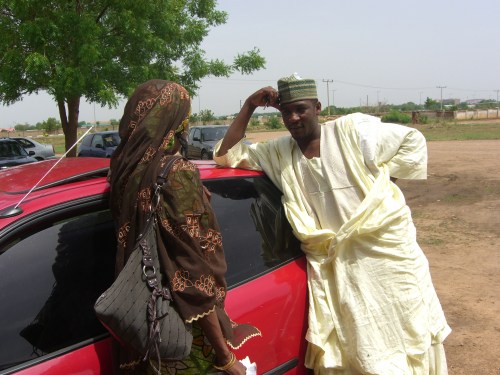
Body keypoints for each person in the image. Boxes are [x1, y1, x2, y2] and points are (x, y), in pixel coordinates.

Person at [214, 74, 451, 374]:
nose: (293, 117)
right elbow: (225, 154)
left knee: (406, 334)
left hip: (385, 260)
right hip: (336, 267)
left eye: (301, 109)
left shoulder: (351, 130)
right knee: (356, 343)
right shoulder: (278, 153)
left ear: (317, 106)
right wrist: (249, 105)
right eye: (286, 111)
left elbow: (411, 141)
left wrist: (380, 192)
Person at [109, 79, 260, 374]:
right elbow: (191, 273)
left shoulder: (122, 170)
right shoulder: (176, 173)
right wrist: (224, 357)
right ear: (177, 122)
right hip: (184, 332)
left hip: (144, 325)